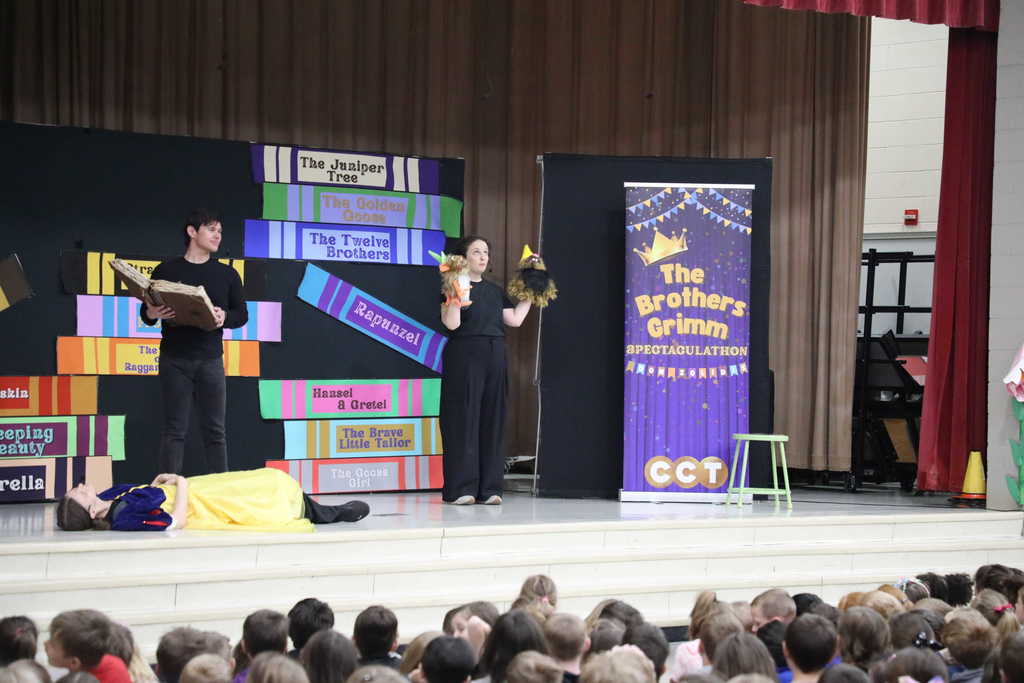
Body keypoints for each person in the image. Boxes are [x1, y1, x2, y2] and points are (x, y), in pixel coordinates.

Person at [141, 208, 248, 475]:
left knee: (215, 431)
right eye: (211, 229)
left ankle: (220, 493)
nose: (218, 236)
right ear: (192, 231)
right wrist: (151, 313)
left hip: (210, 360)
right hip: (173, 359)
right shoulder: (165, 270)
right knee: (174, 430)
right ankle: (166, 496)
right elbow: (147, 313)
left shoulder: (228, 275)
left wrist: (225, 316)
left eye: (220, 231)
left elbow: (241, 315)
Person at [439, 235, 532, 505]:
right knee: (463, 418)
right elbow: (452, 324)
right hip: (465, 353)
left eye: (486, 252)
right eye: (477, 251)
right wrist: (456, 296)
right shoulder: (453, 285)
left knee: (494, 418)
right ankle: (461, 488)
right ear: (463, 258)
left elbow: (515, 320)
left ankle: (490, 489)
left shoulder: (493, 291)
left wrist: (532, 292)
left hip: (495, 354)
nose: (483, 256)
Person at [55, 468, 368, 532]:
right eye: (78, 492)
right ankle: (330, 513)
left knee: (257, 480)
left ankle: (324, 509)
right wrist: (180, 484)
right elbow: (175, 521)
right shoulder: (122, 517)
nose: (82, 485)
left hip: (191, 489)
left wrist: (156, 482)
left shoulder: (108, 498)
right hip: (196, 501)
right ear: (87, 508)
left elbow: (143, 493)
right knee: (256, 497)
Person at [44, 610, 130, 683]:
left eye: (53, 645)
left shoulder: (112, 675)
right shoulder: (111, 661)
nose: (45, 643)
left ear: (74, 662)